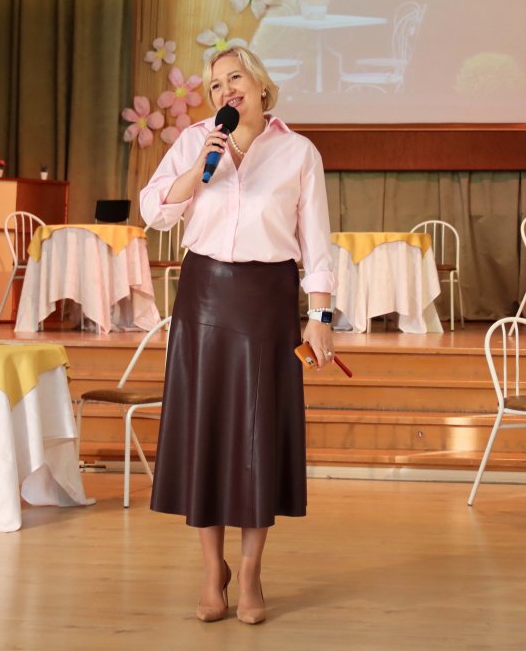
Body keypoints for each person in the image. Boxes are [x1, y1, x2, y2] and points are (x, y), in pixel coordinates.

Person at [139, 46, 336, 625]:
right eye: (215, 83)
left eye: (235, 77)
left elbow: (318, 242)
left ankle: (250, 572)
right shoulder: (196, 141)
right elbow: (154, 211)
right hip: (203, 295)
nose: (225, 89)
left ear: (260, 85)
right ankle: (211, 572)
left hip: (267, 299)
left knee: (257, 437)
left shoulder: (298, 151)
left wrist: (321, 317)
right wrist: (198, 165)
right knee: (206, 432)